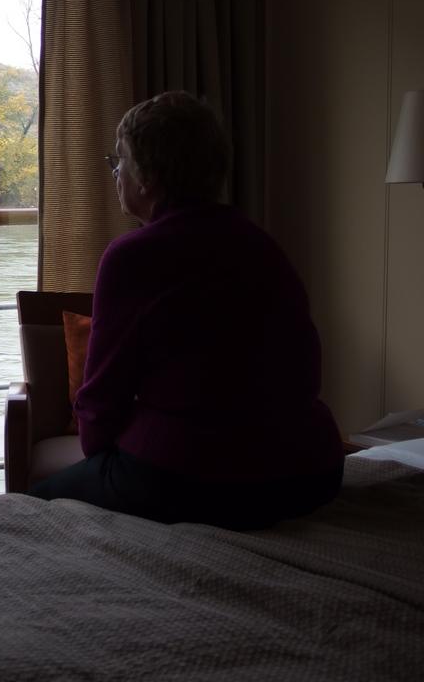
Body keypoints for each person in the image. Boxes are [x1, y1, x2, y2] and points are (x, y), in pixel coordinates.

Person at [29, 91, 344, 530]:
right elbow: (304, 371)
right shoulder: (261, 244)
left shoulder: (133, 256)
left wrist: (103, 458)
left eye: (119, 161)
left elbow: (102, 399)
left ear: (148, 176)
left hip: (196, 476)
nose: (115, 173)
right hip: (312, 472)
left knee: (34, 507)